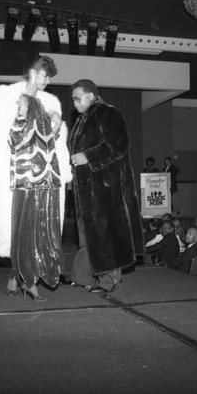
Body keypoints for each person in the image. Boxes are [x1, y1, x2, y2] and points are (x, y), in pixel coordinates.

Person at [0, 56, 72, 301]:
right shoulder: (6, 96)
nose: (48, 80)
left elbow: (52, 143)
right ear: (33, 72)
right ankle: (22, 279)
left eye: (50, 76)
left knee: (37, 229)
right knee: (17, 229)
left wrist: (56, 125)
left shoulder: (50, 102)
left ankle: (20, 278)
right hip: (14, 175)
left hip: (43, 176)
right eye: (45, 75)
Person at [69, 79, 145, 293]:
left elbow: (119, 143)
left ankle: (108, 281)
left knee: (105, 237)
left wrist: (88, 156)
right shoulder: (82, 120)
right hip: (84, 192)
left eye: (78, 97)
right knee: (87, 238)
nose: (75, 103)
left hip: (105, 189)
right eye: (73, 99)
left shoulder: (107, 112)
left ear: (91, 95)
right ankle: (83, 276)